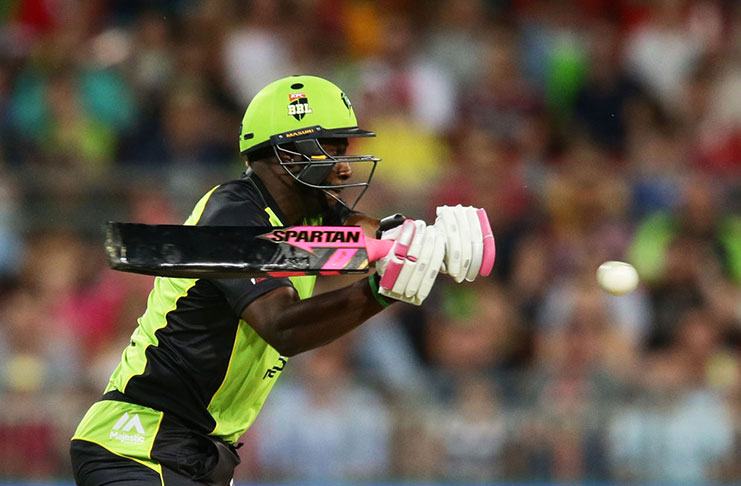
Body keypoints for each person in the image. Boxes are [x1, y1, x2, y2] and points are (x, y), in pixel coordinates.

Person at [69, 75, 491, 486]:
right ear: (288, 155)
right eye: (332, 149)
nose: (345, 168)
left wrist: (426, 241)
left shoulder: (311, 213)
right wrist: (379, 293)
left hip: (201, 458)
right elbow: (282, 327)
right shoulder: (232, 213)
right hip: (136, 444)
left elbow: (367, 234)